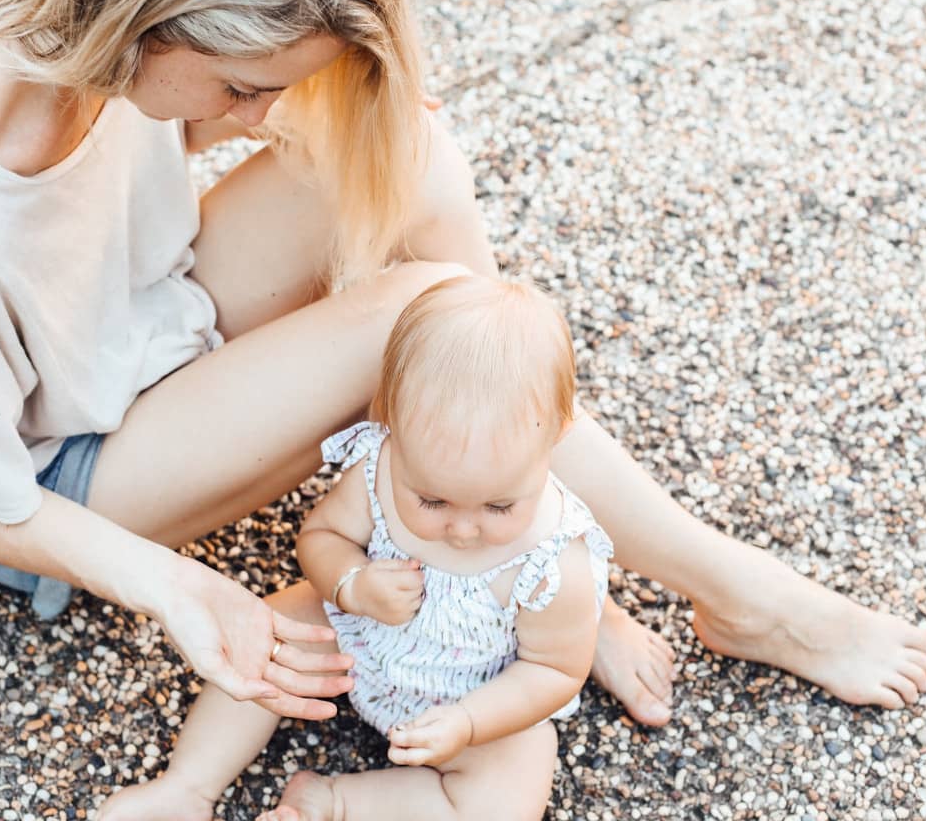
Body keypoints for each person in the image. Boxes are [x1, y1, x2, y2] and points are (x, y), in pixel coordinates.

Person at [0, 0, 926, 766]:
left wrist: (313, 99)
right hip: (62, 476)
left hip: (140, 316)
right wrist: (181, 588)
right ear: (146, 23)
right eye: (243, 86)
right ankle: (728, 592)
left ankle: (533, 537)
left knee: (401, 144)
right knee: (420, 314)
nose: (258, 115)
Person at [101, 276, 611, 820]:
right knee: (269, 627)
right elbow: (322, 537)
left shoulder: (554, 564)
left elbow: (552, 672)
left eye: (499, 507)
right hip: (355, 641)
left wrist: (469, 722)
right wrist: (349, 583)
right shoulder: (380, 468)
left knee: (511, 789)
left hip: (475, 699)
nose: (463, 531)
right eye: (433, 501)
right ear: (390, 425)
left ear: (556, 434)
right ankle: (187, 786)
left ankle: (335, 803)